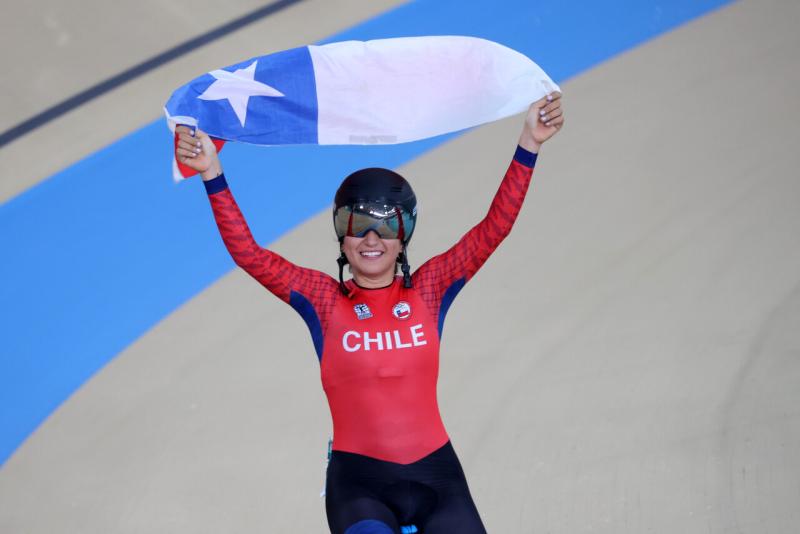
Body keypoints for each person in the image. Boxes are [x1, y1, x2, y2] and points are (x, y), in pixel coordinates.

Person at [175, 92, 564, 534]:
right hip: (360, 486)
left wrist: (529, 144)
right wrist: (212, 172)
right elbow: (249, 255)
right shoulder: (322, 299)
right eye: (357, 226)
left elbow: (495, 228)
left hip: (437, 478)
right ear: (341, 238)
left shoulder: (432, 288)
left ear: (404, 238)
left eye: (387, 224)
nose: (371, 238)